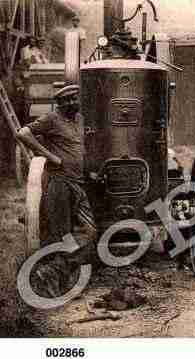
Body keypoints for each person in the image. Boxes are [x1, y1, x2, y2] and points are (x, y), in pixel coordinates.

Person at [16, 85, 97, 297]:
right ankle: (59, 285)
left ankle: (51, 271)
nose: (71, 103)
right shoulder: (51, 119)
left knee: (90, 232)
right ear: (59, 104)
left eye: (74, 99)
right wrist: (50, 157)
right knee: (60, 235)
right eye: (66, 100)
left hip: (78, 183)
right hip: (59, 182)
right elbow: (23, 133)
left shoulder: (79, 119)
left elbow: (80, 148)